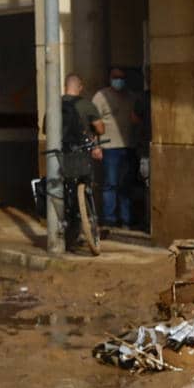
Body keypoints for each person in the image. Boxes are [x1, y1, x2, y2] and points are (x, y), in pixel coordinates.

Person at [52, 74, 103, 252]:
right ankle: (87, 218)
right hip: (80, 152)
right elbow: (100, 127)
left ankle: (63, 226)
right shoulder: (87, 105)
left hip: (61, 154)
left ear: (65, 86)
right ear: (80, 87)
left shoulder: (54, 104)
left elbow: (46, 129)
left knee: (64, 188)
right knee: (85, 183)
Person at [90, 66, 142, 231]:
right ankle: (110, 220)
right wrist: (95, 146)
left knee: (126, 185)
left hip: (129, 147)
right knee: (110, 185)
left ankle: (126, 219)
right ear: (110, 78)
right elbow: (93, 122)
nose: (119, 80)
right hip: (109, 147)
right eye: (115, 77)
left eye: (121, 77)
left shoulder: (132, 97)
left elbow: (136, 120)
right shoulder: (101, 96)